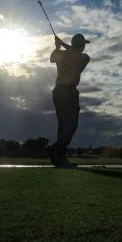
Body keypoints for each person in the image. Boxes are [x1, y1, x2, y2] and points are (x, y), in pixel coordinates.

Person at [46, 34, 90, 167]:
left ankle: (59, 158)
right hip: (66, 91)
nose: (83, 47)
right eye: (82, 44)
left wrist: (61, 45)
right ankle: (57, 150)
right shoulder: (68, 54)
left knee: (65, 125)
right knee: (69, 124)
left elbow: (74, 55)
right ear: (79, 44)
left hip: (61, 91)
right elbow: (52, 58)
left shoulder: (83, 57)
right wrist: (57, 46)